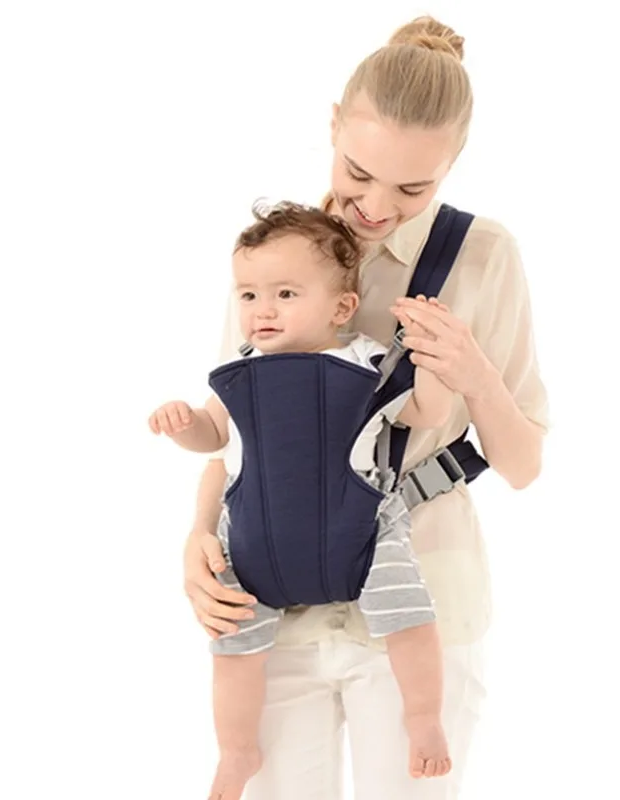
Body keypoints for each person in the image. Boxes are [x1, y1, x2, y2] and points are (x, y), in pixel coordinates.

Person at [182, 15, 549, 800]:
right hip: (275, 600)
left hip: (420, 599)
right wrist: (194, 544)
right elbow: (236, 436)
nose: (377, 206)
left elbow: (523, 466)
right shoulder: (277, 256)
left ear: (452, 163)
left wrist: (475, 374)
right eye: (357, 172)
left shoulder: (484, 256)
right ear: (333, 127)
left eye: (413, 188)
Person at [149, 201, 456, 799]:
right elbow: (214, 439)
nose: (262, 310)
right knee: (232, 644)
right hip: (257, 541)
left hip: (359, 531)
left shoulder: (365, 361)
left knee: (410, 615)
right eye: (248, 295)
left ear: (341, 307)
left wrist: (430, 361)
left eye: (285, 294)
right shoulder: (241, 369)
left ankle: (423, 719)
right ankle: (237, 749)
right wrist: (184, 423)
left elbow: (425, 413)